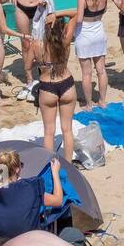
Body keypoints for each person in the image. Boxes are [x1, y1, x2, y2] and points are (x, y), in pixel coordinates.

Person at [2, 0, 50, 102]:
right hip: (21, 9)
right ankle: (29, 79)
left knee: (41, 43)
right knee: (26, 43)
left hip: (39, 9)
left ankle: (44, 73)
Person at [37, 16, 77, 161]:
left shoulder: (40, 45)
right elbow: (75, 14)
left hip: (48, 86)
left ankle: (50, 167)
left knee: (49, 132)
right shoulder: (66, 41)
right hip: (66, 83)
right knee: (67, 129)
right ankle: (69, 165)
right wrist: (58, 13)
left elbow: (29, 66)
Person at [73, 0, 109, 109]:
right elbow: (104, 10)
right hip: (99, 30)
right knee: (101, 70)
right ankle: (102, 100)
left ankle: (88, 104)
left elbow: (80, 19)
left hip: (85, 34)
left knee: (86, 73)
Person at [0, 150, 66, 211]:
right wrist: (55, 173)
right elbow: (58, 201)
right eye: (21, 165)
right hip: (26, 226)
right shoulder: (28, 188)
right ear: (17, 169)